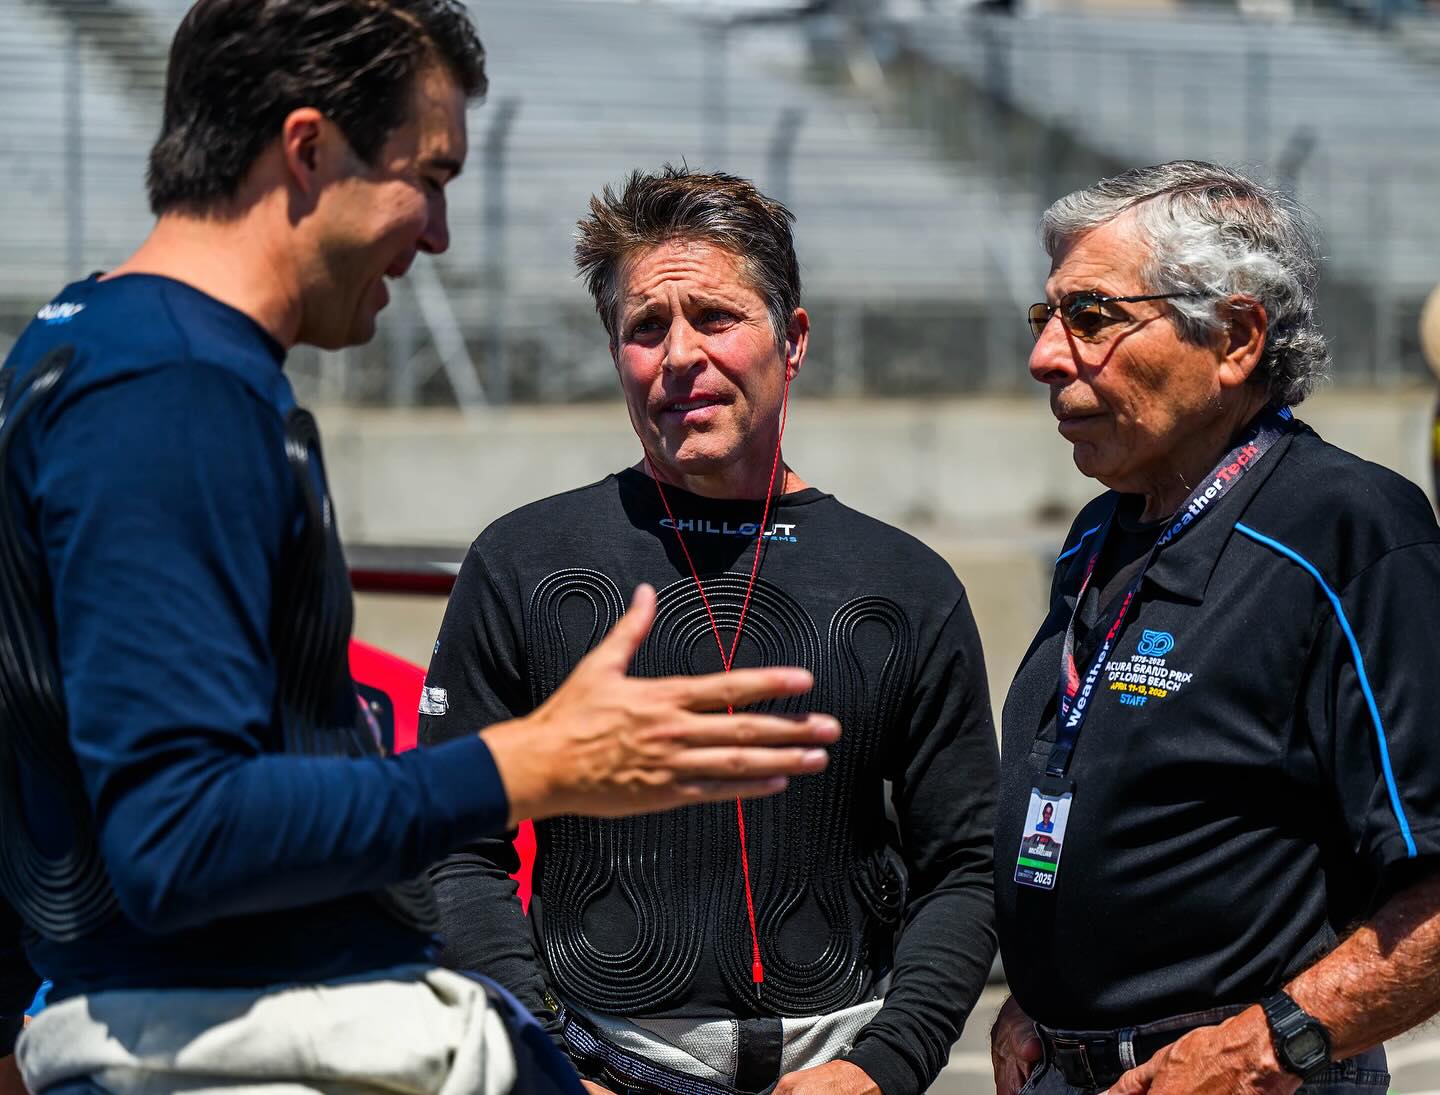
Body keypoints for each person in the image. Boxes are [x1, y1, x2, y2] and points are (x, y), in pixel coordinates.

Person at [0, 5, 840, 1092]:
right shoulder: (168, 388)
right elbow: (179, 832)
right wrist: (526, 766)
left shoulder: (91, 340)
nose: (439, 231)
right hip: (238, 1042)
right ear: (308, 151)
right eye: (427, 175)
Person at [419, 167, 999, 1095]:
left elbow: (965, 864)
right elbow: (456, 845)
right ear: (616, 353)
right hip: (594, 1062)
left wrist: (881, 1067)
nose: (680, 354)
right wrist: (549, 1064)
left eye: (716, 317)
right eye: (646, 327)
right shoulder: (524, 561)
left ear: (793, 338)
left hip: (837, 1064)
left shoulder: (905, 583)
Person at [990, 160, 1440, 1095]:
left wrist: (1270, 1044)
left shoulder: (1350, 529)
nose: (1045, 355)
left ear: (1234, 336)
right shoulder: (1097, 532)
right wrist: (1044, 989)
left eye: (1093, 316)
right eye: (1047, 316)